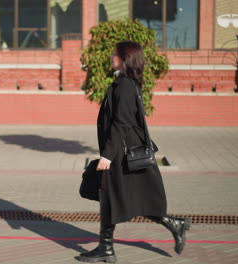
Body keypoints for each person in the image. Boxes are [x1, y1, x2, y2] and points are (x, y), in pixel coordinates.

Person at [76, 41, 191, 263]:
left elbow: (122, 123)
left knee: (115, 197)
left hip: (122, 153)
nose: (111, 57)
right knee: (114, 197)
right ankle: (107, 248)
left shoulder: (125, 85)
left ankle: (108, 249)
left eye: (115, 54)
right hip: (121, 150)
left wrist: (107, 155)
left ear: (124, 58)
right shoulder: (122, 82)